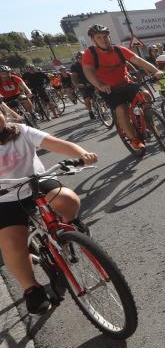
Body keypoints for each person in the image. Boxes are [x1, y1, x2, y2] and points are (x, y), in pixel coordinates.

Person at [0, 109, 97, 314]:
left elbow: (55, 143)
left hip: (37, 182)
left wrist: (81, 155)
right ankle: (31, 288)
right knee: (11, 244)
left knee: (67, 199)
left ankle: (73, 222)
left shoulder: (20, 131)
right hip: (5, 197)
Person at [81, 24, 163, 151]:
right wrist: (100, 85)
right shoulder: (90, 53)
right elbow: (88, 71)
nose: (104, 40)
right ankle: (134, 140)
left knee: (145, 95)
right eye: (99, 37)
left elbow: (138, 60)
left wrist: (155, 71)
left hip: (126, 83)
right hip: (108, 89)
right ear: (93, 40)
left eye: (105, 36)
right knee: (121, 110)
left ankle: (149, 123)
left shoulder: (119, 50)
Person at [70, 53, 95, 120]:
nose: (81, 59)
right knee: (87, 98)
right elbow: (74, 76)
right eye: (80, 58)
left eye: (83, 57)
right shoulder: (74, 66)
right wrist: (77, 84)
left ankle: (100, 104)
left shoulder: (89, 62)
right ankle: (90, 111)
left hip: (93, 80)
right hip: (82, 83)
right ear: (77, 59)